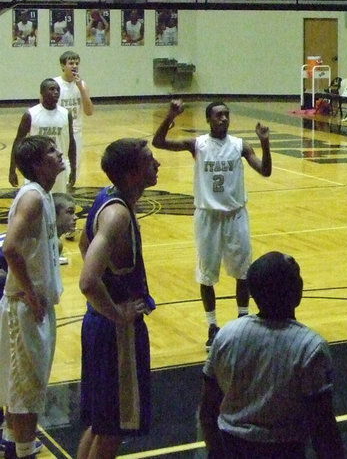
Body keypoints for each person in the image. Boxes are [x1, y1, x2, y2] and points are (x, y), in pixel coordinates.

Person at [200, 252, 345, 458]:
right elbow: (323, 430)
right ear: (298, 292)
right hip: (283, 450)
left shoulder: (226, 335)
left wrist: (216, 452)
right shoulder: (310, 348)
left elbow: (207, 410)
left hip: (230, 447)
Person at [152, 100, 272, 349]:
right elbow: (158, 142)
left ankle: (243, 320)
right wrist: (170, 115)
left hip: (235, 215)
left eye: (226, 114)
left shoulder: (240, 145)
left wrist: (264, 143)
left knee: (243, 272)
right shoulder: (198, 144)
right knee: (207, 275)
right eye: (218, 115)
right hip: (207, 216)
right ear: (208, 119)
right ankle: (212, 325)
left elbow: (265, 171)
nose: (223, 118)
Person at [77, 138, 160, 458]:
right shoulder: (117, 216)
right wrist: (117, 313)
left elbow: (83, 243)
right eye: (149, 160)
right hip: (116, 333)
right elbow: (87, 281)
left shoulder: (108, 197)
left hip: (99, 324)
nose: (157, 164)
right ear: (132, 173)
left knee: (101, 424)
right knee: (113, 430)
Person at [0, 136, 64, 459]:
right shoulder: (33, 198)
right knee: (25, 391)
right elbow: (9, 248)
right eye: (52, 151)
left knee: (28, 387)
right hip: (25, 307)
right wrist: (30, 292)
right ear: (38, 165)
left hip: (37, 306)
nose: (60, 152)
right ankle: (24, 451)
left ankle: (13, 444)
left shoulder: (44, 195)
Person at [9, 79, 76, 194]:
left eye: (58, 89)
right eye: (52, 89)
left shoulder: (66, 114)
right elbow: (18, 143)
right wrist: (12, 170)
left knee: (58, 201)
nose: (56, 92)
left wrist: (73, 169)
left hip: (58, 166)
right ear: (42, 93)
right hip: (36, 167)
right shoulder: (30, 114)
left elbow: (71, 142)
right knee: (35, 198)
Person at [55, 50, 94, 176]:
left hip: (76, 132)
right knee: (57, 166)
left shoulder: (82, 85)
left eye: (77, 63)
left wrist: (81, 88)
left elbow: (89, 111)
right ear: (63, 66)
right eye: (71, 63)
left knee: (74, 168)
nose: (74, 66)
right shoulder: (55, 84)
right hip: (59, 131)